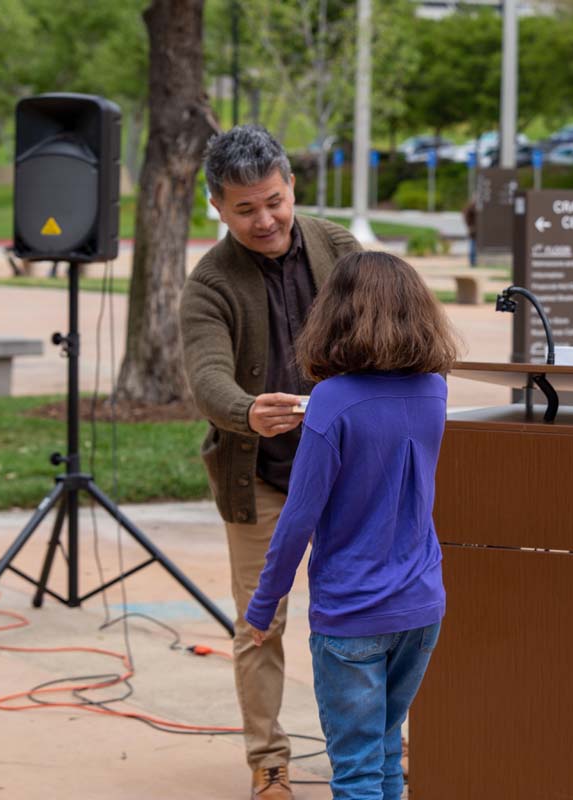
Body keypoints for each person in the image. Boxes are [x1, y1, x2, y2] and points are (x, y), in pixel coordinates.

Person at [180, 124, 360, 800]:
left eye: (275, 200)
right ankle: (269, 761)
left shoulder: (339, 246)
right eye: (245, 208)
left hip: (348, 469)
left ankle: (369, 745)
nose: (265, 219)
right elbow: (206, 377)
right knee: (261, 622)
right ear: (218, 209)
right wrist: (245, 410)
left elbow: (382, 329)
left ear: (291, 187)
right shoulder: (209, 283)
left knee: (362, 616)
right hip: (261, 475)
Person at [243, 250, 459, 800]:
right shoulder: (435, 390)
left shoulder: (333, 404)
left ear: (336, 315)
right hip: (420, 605)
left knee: (356, 771)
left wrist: (263, 606)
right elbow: (384, 415)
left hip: (353, 613)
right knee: (386, 748)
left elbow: (297, 519)